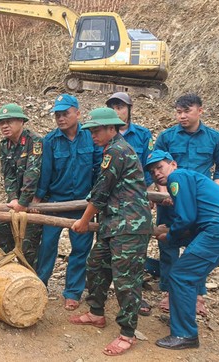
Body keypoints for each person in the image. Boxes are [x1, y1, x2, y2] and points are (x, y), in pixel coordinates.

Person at [146, 150, 219, 349]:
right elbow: (191, 217)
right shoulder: (188, 179)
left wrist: (168, 236)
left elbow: (186, 218)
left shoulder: (177, 177)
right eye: (152, 172)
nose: (156, 173)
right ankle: (182, 320)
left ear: (173, 164)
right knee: (188, 274)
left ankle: (185, 334)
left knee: (181, 275)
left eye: (159, 167)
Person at [70, 107, 152, 356]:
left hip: (129, 226)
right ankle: (96, 313)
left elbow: (101, 192)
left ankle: (128, 334)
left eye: (96, 130)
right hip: (113, 224)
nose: (93, 135)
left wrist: (83, 221)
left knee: (126, 280)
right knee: (96, 265)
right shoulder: (112, 149)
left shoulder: (117, 151)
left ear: (111, 129)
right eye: (92, 130)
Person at [153, 93, 219, 315]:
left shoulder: (213, 138)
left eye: (187, 111)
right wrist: (163, 193)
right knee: (168, 244)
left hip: (199, 205)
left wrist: (212, 189)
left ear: (200, 111)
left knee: (198, 247)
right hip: (169, 202)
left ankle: (197, 295)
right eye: (178, 112)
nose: (182, 116)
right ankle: (169, 292)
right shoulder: (167, 137)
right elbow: (156, 168)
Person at [34, 94, 102, 310]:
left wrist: (97, 198)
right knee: (47, 246)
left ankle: (73, 291)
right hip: (55, 203)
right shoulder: (51, 141)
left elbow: (99, 168)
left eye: (65, 114)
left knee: (81, 248)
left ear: (77, 113)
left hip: (83, 204)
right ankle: (39, 284)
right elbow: (45, 172)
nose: (61, 118)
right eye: (57, 115)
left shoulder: (90, 137)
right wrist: (38, 198)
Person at [105, 92, 154, 316]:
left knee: (132, 256)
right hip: (110, 204)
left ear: (129, 109)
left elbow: (149, 167)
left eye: (120, 107)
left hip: (133, 205)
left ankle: (135, 301)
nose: (117, 111)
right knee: (106, 252)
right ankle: (103, 296)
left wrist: (150, 193)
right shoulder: (102, 134)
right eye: (113, 107)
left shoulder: (142, 135)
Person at [0, 103, 43, 267]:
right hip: (17, 203)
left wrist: (23, 202)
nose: (5, 126)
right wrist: (13, 199)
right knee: (1, 234)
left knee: (28, 245)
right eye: (2, 123)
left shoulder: (34, 142)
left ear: (21, 121)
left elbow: (32, 173)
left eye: (9, 121)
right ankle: (1, 275)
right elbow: (8, 175)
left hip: (35, 200)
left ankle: (30, 283)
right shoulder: (4, 145)